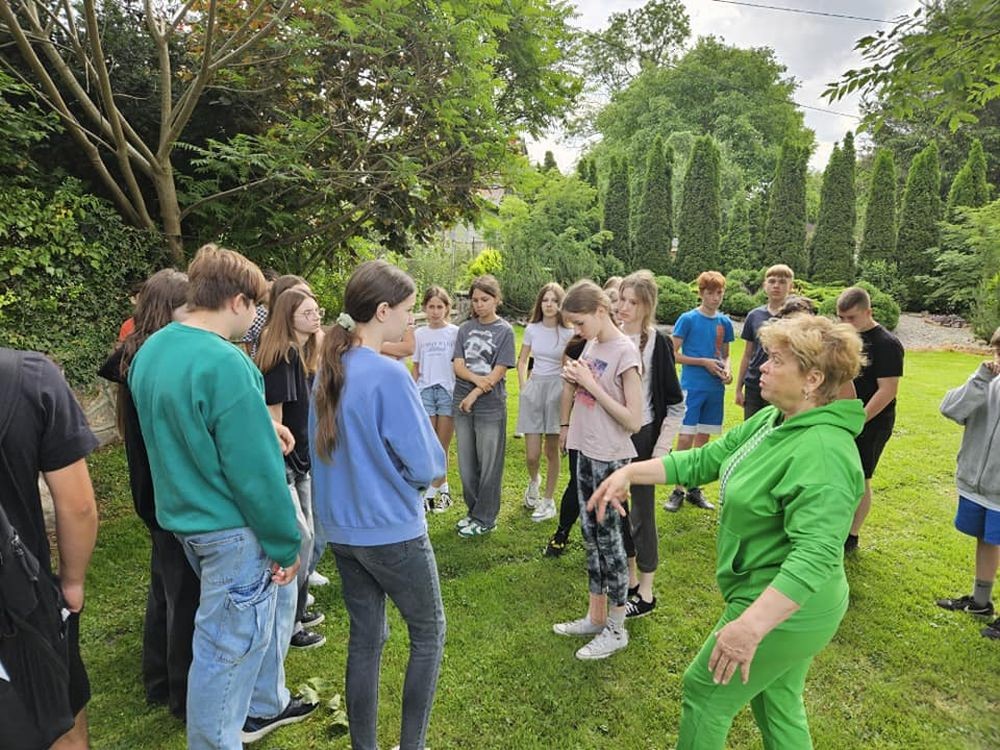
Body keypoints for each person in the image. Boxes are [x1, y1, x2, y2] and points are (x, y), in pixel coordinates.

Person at [590, 314, 867, 748]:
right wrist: (630, 473)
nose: (760, 367)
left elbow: (814, 556)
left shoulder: (824, 452)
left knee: (705, 693)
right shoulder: (774, 421)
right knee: (777, 702)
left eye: (775, 360)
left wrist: (750, 627)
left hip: (787, 607)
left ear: (812, 379)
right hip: (767, 594)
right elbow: (704, 461)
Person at [129, 244, 315, 748]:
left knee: (218, 645)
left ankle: (250, 715)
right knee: (224, 656)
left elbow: (182, 428)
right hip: (233, 532)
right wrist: (283, 543)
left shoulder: (153, 349)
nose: (255, 318)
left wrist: (259, 427)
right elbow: (255, 477)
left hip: (186, 524)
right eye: (255, 306)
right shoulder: (226, 363)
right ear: (235, 301)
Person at [310, 260, 447, 750]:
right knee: (428, 634)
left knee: (366, 639)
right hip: (392, 532)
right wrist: (415, 483)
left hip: (344, 535)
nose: (411, 320)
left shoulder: (328, 371)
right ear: (383, 310)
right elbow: (428, 463)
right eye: (408, 311)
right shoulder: (388, 374)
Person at [98, 269, 199, 720]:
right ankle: (182, 695)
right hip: (165, 489)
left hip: (151, 487)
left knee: (165, 587)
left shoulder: (136, 355)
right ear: (169, 309)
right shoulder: (152, 359)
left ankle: (159, 680)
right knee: (182, 594)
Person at [0, 349, 99, 750]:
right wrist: (72, 580)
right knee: (59, 716)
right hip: (21, 598)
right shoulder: (27, 377)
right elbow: (78, 505)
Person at [552, 280, 643, 660]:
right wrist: (575, 382)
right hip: (586, 451)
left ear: (601, 311)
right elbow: (588, 391)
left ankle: (616, 628)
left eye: (579, 323)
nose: (576, 331)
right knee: (591, 540)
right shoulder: (593, 343)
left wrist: (591, 383)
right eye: (571, 325)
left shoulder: (625, 351)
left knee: (611, 545)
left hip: (611, 458)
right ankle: (596, 616)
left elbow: (633, 420)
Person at [255, 288, 326, 651]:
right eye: (308, 313)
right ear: (288, 317)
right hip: (288, 467)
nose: (316, 318)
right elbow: (275, 424)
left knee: (309, 538)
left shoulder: (299, 353)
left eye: (318, 311)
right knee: (301, 541)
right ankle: (291, 625)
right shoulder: (282, 357)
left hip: (301, 464)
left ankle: (296, 613)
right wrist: (284, 471)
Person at [616, 270, 684, 618]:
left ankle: (646, 591)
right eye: (621, 299)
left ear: (647, 307)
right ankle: (628, 580)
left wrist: (661, 449)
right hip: (610, 439)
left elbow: (674, 401)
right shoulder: (607, 338)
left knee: (642, 513)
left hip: (643, 438)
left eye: (633, 302)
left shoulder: (657, 342)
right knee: (619, 512)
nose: (624, 307)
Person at [936, 326, 1000, 640]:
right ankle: (980, 602)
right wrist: (979, 380)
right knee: (985, 540)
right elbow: (949, 408)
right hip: (979, 484)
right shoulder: (986, 383)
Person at [836, 286, 904, 553]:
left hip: (872, 421)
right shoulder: (843, 338)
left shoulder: (886, 344)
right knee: (840, 475)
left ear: (868, 312)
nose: (845, 324)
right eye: (841, 318)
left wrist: (858, 421)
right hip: (843, 418)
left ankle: (851, 535)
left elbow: (887, 390)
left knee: (860, 477)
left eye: (851, 318)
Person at [452, 275, 516, 537]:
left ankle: (486, 518)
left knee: (489, 463)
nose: (479, 304)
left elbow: (498, 372)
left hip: (490, 407)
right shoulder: (464, 329)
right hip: (462, 400)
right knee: (467, 464)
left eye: (484, 299)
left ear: (496, 300)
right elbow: (458, 364)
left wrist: (474, 393)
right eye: (475, 300)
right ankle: (474, 512)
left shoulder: (505, 332)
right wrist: (474, 383)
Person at [666, 270, 734, 512]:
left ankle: (694, 487)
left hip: (714, 389)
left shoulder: (724, 322)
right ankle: (677, 490)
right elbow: (672, 354)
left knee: (703, 439)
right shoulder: (688, 319)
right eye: (711, 293)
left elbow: (725, 355)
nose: (716, 298)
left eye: (719, 293)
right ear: (701, 293)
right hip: (692, 387)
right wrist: (703, 362)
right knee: (685, 437)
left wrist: (727, 370)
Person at [516, 283, 574, 522]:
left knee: (552, 450)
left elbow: (568, 365)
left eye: (554, 300)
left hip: (557, 389)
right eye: (545, 300)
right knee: (531, 454)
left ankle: (548, 500)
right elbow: (522, 361)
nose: (549, 304)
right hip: (534, 387)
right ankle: (534, 481)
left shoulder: (569, 333)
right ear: (540, 303)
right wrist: (523, 387)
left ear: (561, 305)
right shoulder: (532, 329)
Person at [412, 286, 459, 513]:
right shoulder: (420, 334)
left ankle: (434, 492)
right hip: (426, 391)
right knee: (429, 445)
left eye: (440, 306)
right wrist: (411, 390)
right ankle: (441, 491)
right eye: (431, 306)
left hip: (448, 391)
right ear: (424, 308)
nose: (435, 311)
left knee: (442, 446)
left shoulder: (455, 332)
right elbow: (416, 366)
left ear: (447, 308)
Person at [542, 333, 588, 557]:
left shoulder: (624, 345)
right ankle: (562, 532)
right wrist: (565, 426)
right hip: (580, 423)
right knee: (578, 481)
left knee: (607, 485)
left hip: (610, 431)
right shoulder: (579, 344)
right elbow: (568, 388)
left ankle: (600, 539)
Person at [735, 264, 795, 419]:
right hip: (755, 383)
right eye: (772, 281)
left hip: (783, 384)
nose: (776, 286)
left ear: (791, 286)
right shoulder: (754, 316)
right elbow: (747, 354)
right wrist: (738, 388)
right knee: (750, 431)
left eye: (782, 282)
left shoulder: (795, 317)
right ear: (765, 285)